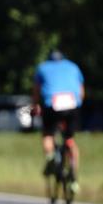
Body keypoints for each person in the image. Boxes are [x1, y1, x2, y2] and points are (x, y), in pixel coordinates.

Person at [32, 50, 84, 195]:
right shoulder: (73, 66)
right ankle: (74, 177)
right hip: (72, 105)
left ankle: (50, 156)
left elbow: (36, 91)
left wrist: (35, 106)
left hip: (52, 105)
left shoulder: (42, 67)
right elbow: (81, 92)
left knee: (48, 135)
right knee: (70, 140)